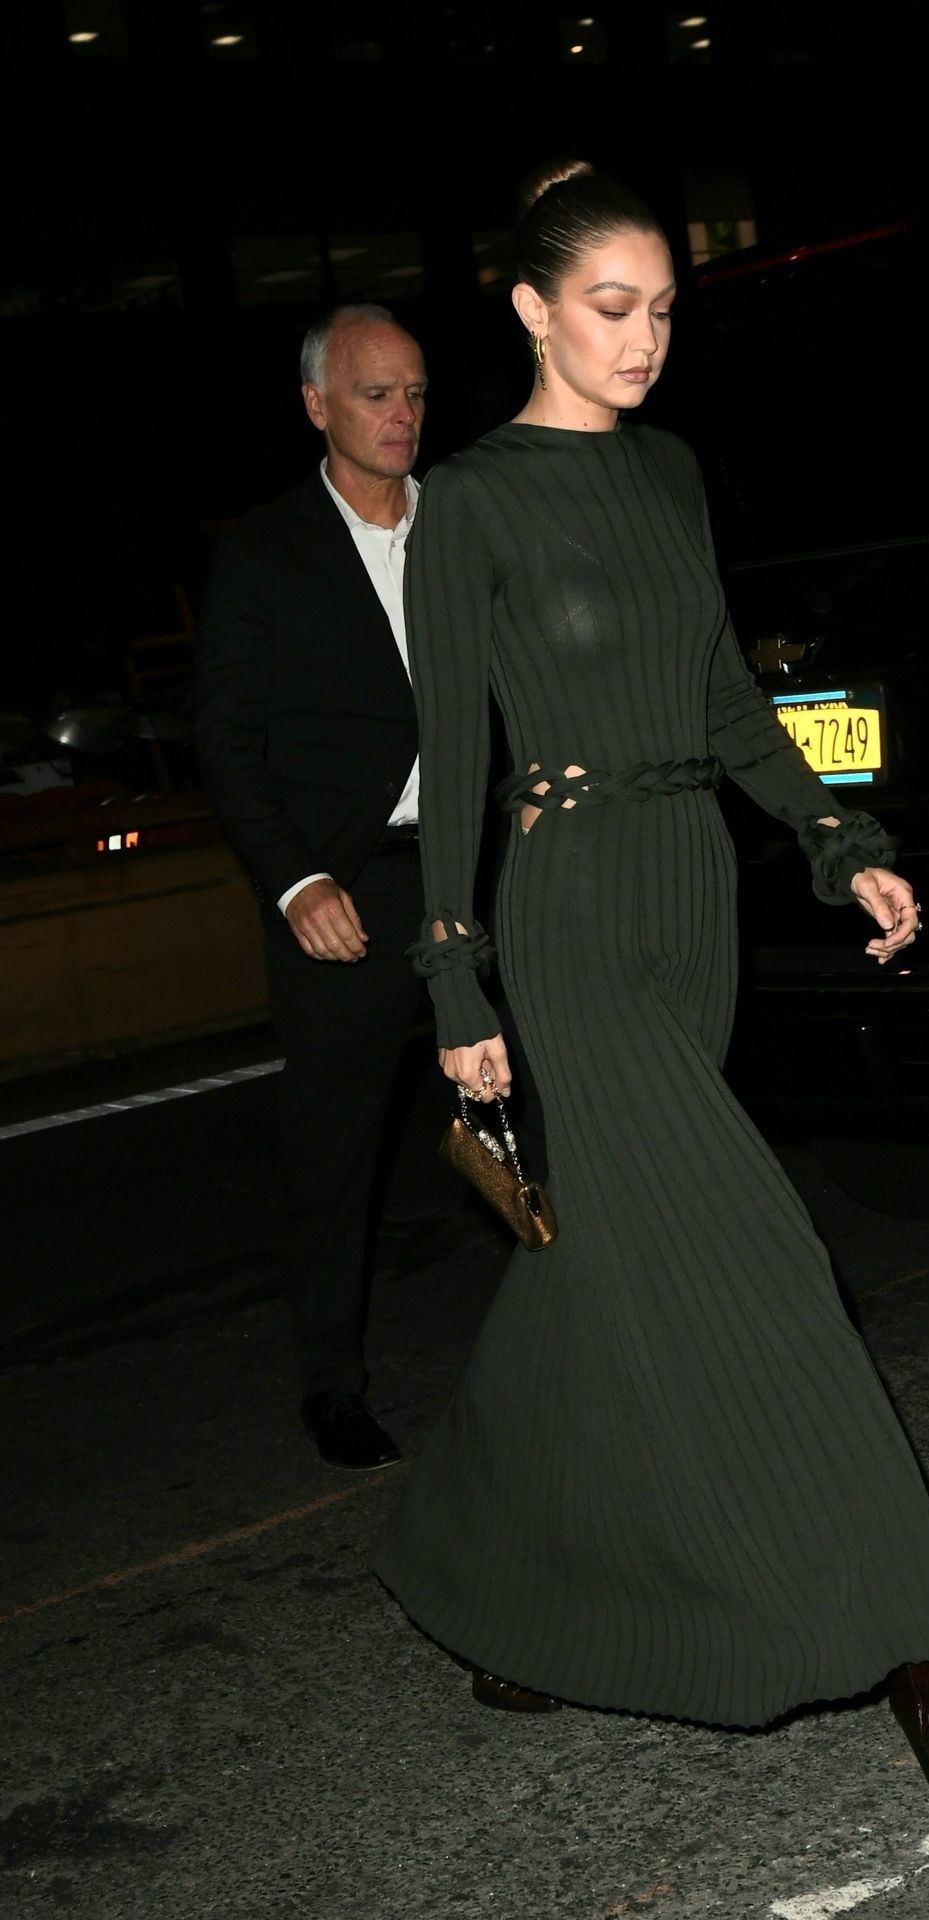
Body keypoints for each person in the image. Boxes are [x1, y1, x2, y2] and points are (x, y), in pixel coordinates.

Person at [372, 165, 929, 1825]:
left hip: (688, 902)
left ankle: (505, 1582)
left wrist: (838, 840)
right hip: (565, 917)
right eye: (610, 308)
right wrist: (456, 980)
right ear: (533, 310)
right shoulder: (468, 501)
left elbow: (722, 702)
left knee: (594, 1273)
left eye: (664, 310)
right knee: (766, 1262)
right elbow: (455, 753)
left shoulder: (670, 472)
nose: (643, 340)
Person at [195, 304, 428, 1472]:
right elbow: (226, 742)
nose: (401, 415)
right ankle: (332, 1384)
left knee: (561, 1105)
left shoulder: (467, 522)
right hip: (350, 889)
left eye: (416, 393)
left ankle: (608, 1337)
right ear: (316, 405)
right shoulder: (266, 553)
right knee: (333, 1155)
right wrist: (295, 880)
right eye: (376, 394)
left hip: (484, 871)